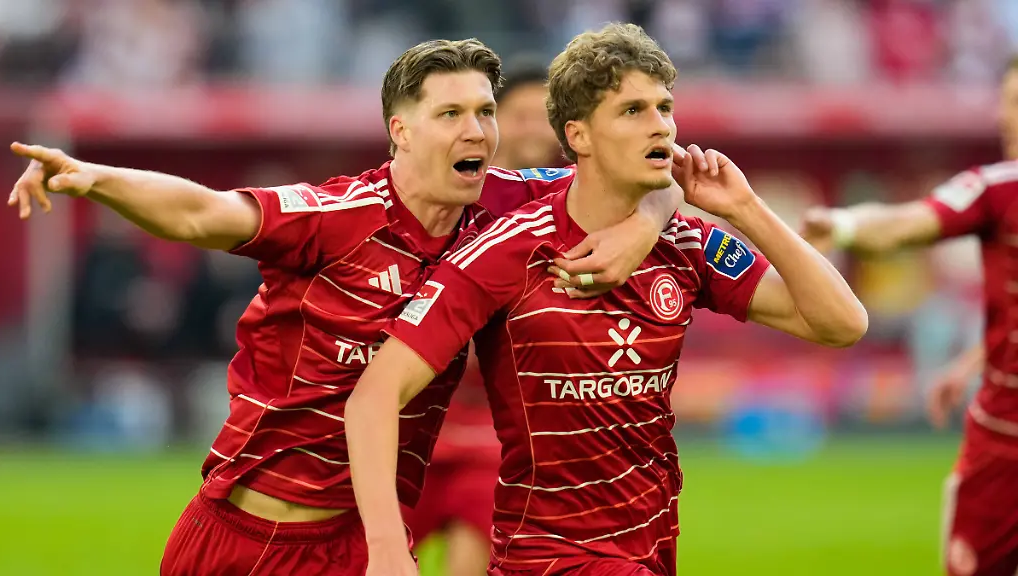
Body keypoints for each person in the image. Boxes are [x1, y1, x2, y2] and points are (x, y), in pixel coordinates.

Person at [7, 38, 681, 576]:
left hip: (358, 542)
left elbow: (649, 172)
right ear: (401, 131)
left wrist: (643, 224)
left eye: (485, 112)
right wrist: (94, 178)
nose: (477, 131)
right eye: (450, 115)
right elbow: (199, 214)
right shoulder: (337, 215)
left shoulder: (503, 208)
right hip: (240, 531)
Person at [346, 23, 868, 576]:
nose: (660, 126)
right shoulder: (508, 248)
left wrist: (745, 209)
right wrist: (386, 551)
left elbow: (842, 323)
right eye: (633, 111)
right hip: (548, 556)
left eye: (664, 107)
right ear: (580, 136)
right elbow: (375, 394)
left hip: (650, 546)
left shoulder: (686, 244)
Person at [799, 55, 1018, 576]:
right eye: (1006, 102)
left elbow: (904, 227)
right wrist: (973, 361)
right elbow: (907, 221)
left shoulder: (999, 185)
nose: (1005, 117)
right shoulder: (998, 189)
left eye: (1017, 105)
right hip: (1004, 435)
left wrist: (840, 227)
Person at [401, 56, 560, 576]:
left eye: (546, 115)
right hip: (410, 425)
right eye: (520, 114)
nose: (533, 127)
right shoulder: (441, 193)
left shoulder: (572, 203)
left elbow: (661, 184)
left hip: (496, 438)